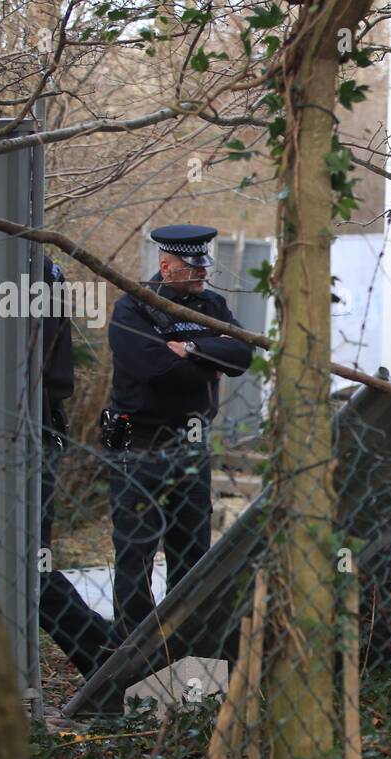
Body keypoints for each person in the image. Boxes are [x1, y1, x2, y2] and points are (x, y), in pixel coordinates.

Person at [104, 225, 253, 641]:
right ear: (166, 266)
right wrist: (209, 357)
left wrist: (188, 349)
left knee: (191, 553)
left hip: (190, 445)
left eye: (203, 265)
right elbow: (155, 369)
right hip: (138, 444)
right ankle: (133, 649)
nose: (201, 274)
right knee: (135, 553)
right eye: (192, 268)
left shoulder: (212, 304)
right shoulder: (133, 308)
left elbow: (242, 354)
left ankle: (186, 644)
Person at [39, 255, 117, 678]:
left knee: (29, 567)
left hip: (33, 427)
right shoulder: (40, 265)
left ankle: (106, 658)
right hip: (42, 424)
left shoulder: (25, 266)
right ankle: (107, 655)